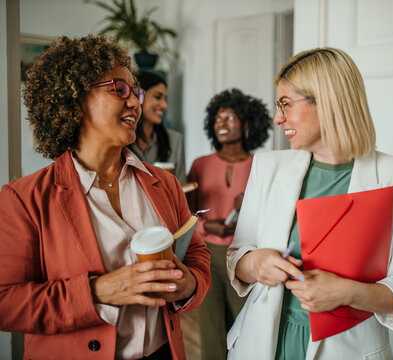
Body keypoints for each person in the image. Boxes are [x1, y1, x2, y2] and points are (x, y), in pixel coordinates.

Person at [0, 34, 211, 360]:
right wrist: (97, 292)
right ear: (73, 100)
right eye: (119, 90)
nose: (135, 103)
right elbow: (6, 302)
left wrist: (191, 285)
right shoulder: (23, 199)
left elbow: (195, 252)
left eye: (135, 92)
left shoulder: (164, 183)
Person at [226, 47, 393, 359]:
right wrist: (255, 264)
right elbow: (236, 258)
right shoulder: (267, 167)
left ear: (327, 102)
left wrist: (350, 293)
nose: (278, 119)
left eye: (286, 104)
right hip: (262, 344)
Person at [187, 88, 272, 360]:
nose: (222, 124)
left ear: (247, 124)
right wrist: (204, 228)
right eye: (217, 119)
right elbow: (184, 214)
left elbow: (274, 216)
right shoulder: (199, 165)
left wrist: (250, 210)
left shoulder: (263, 165)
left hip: (245, 256)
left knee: (247, 329)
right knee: (211, 332)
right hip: (205, 255)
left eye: (230, 117)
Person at [129, 71, 187, 184]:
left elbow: (181, 188)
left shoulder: (175, 140)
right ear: (138, 96)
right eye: (158, 97)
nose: (165, 105)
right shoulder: (122, 139)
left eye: (165, 99)